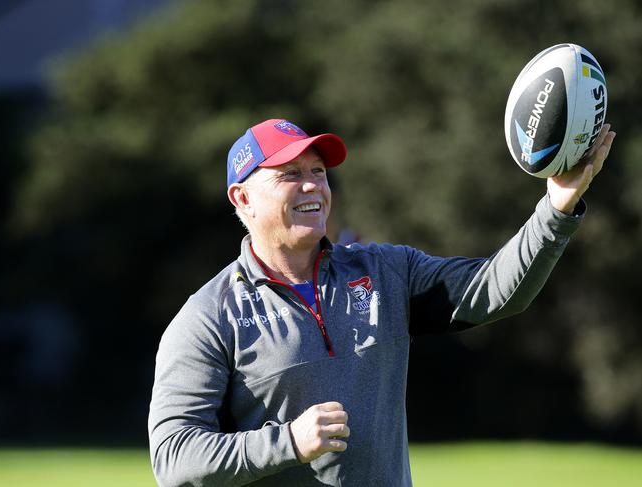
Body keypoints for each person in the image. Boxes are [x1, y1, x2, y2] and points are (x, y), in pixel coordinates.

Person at [148, 118, 616, 486]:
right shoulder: (208, 317)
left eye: (318, 172)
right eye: (290, 175)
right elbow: (173, 458)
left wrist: (556, 208)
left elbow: (492, 291)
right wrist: (286, 442)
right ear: (242, 197)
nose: (313, 185)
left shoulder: (384, 272)